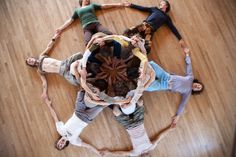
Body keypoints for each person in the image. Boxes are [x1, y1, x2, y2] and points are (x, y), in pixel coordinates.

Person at [145, 49, 204, 127]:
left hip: (164, 85)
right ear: (197, 82)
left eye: (198, 88)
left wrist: (178, 115)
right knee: (151, 63)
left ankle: (141, 78)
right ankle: (141, 69)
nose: (197, 86)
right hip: (166, 76)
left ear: (195, 90)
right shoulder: (191, 77)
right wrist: (187, 55)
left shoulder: (188, 92)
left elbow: (182, 104)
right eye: (199, 85)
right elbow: (189, 65)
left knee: (147, 87)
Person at [100, 99, 173, 157]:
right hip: (139, 122)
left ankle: (116, 99)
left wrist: (109, 153)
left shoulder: (135, 153)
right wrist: (170, 129)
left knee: (115, 111)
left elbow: (122, 154)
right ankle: (130, 98)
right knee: (140, 102)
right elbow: (160, 136)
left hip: (129, 126)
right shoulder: (151, 146)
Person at [123, 0, 189, 53]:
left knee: (148, 48)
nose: (160, 3)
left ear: (166, 6)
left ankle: (134, 51)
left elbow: (173, 28)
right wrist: (131, 5)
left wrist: (180, 39)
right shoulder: (155, 9)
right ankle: (125, 42)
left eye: (162, 3)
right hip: (145, 25)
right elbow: (143, 8)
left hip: (150, 31)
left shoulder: (166, 17)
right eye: (160, 3)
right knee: (128, 31)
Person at [55, 0, 126, 45]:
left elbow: (105, 6)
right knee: (87, 42)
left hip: (96, 24)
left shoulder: (92, 6)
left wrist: (118, 4)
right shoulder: (77, 10)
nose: (88, 0)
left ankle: (121, 42)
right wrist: (61, 28)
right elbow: (70, 21)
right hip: (87, 28)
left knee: (108, 33)